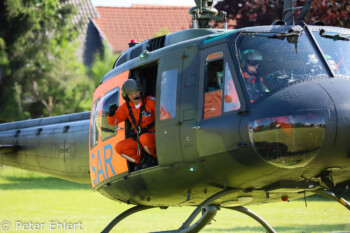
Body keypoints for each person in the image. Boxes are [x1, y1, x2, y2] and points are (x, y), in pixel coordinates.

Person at [107, 79, 157, 170]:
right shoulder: (126, 108)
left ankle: (156, 157)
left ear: (140, 92)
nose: (135, 95)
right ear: (126, 96)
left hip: (153, 136)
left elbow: (164, 113)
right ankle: (142, 160)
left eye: (136, 92)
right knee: (119, 147)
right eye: (131, 94)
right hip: (138, 139)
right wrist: (111, 114)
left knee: (144, 138)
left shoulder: (150, 102)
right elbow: (113, 122)